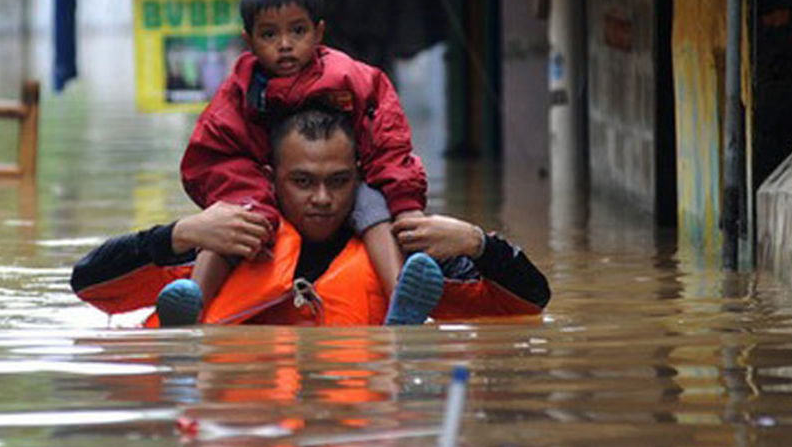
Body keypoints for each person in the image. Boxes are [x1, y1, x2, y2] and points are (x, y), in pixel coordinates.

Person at [70, 109, 550, 326]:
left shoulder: (404, 265)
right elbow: (90, 285)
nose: (322, 198)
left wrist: (476, 243)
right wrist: (173, 234)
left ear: (360, 178)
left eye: (338, 182)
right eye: (302, 182)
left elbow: (532, 303)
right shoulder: (224, 244)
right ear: (270, 179)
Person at [163, 0, 434, 326]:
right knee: (232, 221)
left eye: (298, 31)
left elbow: (389, 140)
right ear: (250, 41)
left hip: (345, 182)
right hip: (261, 185)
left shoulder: (350, 78)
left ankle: (402, 297)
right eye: (269, 34)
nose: (285, 44)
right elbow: (211, 154)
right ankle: (193, 301)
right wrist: (240, 194)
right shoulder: (239, 94)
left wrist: (408, 206)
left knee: (374, 205)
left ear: (318, 33)